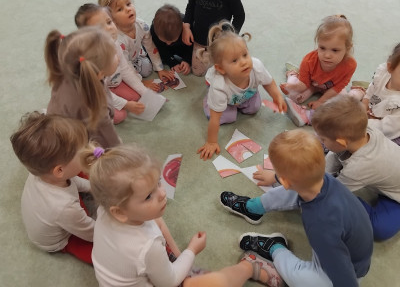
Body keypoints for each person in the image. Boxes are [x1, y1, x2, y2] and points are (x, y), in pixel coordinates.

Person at [81, 144, 283, 287]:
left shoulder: (106, 209)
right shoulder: (147, 247)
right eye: (149, 196)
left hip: (135, 271)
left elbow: (155, 225)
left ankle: (181, 263)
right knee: (216, 282)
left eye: (158, 183)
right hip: (158, 277)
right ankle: (250, 266)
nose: (162, 194)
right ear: (119, 212)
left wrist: (179, 258)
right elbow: (169, 282)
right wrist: (191, 251)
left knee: (158, 225)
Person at [220, 129, 373, 287]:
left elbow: (344, 276)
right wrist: (276, 177)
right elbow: (297, 176)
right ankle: (254, 208)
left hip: (350, 269)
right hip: (343, 240)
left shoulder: (320, 225)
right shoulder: (321, 178)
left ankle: (275, 248)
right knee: (299, 187)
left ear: (284, 181)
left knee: (301, 280)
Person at [311, 94, 400, 241]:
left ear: (341, 142)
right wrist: (323, 173)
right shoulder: (366, 129)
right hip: (388, 174)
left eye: (323, 139)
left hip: (396, 197)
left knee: (379, 230)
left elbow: (331, 191)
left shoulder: (358, 167)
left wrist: (311, 185)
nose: (319, 140)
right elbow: (335, 153)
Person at [10, 112, 95, 264]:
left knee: (79, 174)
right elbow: (91, 232)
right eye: (83, 151)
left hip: (57, 209)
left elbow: (73, 179)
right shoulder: (64, 207)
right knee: (103, 254)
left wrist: (94, 187)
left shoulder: (43, 172)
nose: (89, 151)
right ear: (59, 170)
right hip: (60, 240)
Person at [197, 21, 286, 160]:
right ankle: (208, 101)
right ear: (221, 68)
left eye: (245, 55)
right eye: (234, 60)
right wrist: (211, 142)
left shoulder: (256, 66)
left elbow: (268, 83)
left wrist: (277, 97)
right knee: (228, 117)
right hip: (225, 97)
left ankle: (241, 99)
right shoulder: (219, 85)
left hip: (246, 94)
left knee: (254, 108)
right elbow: (215, 118)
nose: (244, 62)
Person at [75, 3, 153, 124]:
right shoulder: (93, 60)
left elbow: (125, 69)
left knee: (137, 96)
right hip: (96, 93)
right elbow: (101, 93)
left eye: (109, 22)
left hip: (112, 84)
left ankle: (117, 93)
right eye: (100, 28)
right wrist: (126, 104)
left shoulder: (114, 43)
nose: (109, 28)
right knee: (118, 116)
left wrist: (147, 93)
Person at [45, 26, 121, 148]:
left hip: (58, 123)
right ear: (99, 73)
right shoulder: (94, 103)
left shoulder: (69, 72)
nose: (118, 56)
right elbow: (110, 141)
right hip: (71, 143)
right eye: (114, 55)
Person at [280, 14, 356, 126]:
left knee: (344, 105)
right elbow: (303, 84)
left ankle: (358, 90)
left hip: (330, 88)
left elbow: (337, 88)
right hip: (309, 84)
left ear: (347, 48)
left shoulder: (350, 65)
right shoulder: (308, 61)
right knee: (293, 96)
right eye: (322, 48)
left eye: (335, 50)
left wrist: (321, 101)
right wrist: (290, 87)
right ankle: (292, 74)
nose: (327, 55)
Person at [98, 0, 175, 82]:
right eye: (120, 9)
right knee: (116, 79)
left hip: (133, 56)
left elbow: (150, 46)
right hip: (118, 63)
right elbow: (125, 64)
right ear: (111, 19)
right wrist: (141, 82)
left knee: (147, 69)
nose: (128, 9)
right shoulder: (117, 40)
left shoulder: (142, 25)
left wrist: (160, 69)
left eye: (128, 4)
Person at [350, 42, 400, 145]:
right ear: (390, 68)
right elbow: (372, 89)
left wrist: (361, 122)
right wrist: (365, 103)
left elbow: (386, 128)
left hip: (391, 129)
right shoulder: (383, 75)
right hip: (373, 113)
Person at [150, 4, 193, 75]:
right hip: (163, 47)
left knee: (196, 55)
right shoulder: (154, 31)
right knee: (152, 53)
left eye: (172, 41)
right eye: (165, 41)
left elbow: (191, 46)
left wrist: (187, 60)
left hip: (182, 46)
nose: (168, 43)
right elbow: (160, 49)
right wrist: (172, 62)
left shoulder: (186, 29)